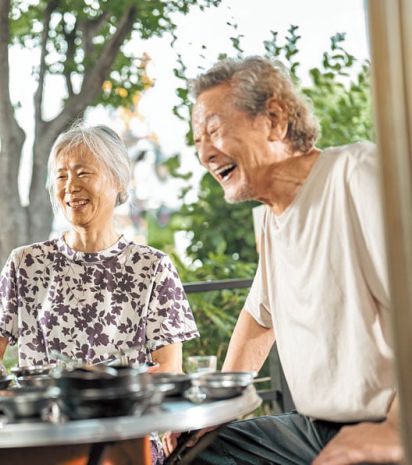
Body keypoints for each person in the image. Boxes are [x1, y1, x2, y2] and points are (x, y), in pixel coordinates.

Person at [163, 56, 403, 465]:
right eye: (197, 140)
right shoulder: (275, 220)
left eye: (214, 130)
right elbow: (260, 318)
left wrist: (398, 431)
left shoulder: (357, 173)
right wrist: (219, 407)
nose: (204, 153)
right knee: (196, 453)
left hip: (389, 417)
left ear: (274, 118)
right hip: (312, 428)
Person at [0, 124, 199, 464]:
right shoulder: (25, 263)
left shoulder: (152, 267)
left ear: (117, 182)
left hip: (125, 437)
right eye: (61, 176)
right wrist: (5, 396)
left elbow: (168, 370)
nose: (70, 187)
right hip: (43, 437)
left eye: (83, 173)